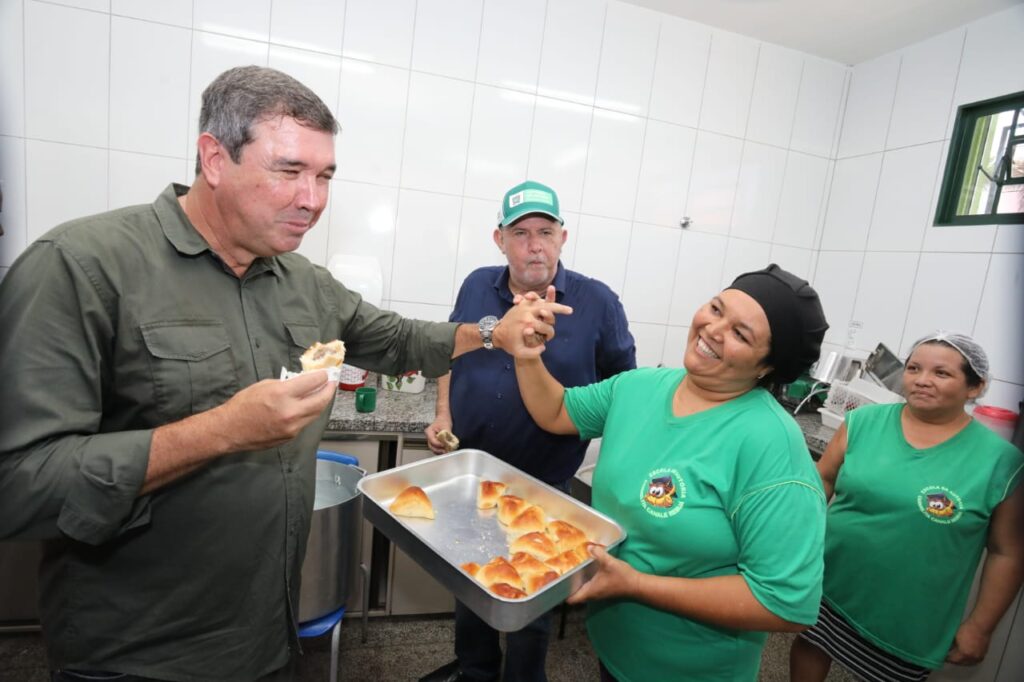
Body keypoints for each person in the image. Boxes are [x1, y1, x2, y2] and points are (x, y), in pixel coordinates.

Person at [0, 66, 568, 682]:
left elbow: (400, 338)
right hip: (137, 654)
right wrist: (221, 431)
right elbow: (19, 484)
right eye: (290, 171)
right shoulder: (83, 269)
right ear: (214, 159)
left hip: (269, 640)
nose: (313, 199)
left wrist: (492, 333)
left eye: (324, 176)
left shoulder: (305, 284)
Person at [509, 264, 831, 682]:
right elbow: (555, 411)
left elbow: (787, 603)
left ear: (767, 366)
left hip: (692, 669)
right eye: (716, 309)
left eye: (740, 333)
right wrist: (527, 354)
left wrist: (637, 585)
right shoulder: (640, 387)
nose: (714, 329)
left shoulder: (770, 445)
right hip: (615, 647)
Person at [419, 180, 637, 682]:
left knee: (533, 593)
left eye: (545, 231)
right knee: (470, 579)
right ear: (499, 239)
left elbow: (623, 391)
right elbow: (449, 352)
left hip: (545, 481)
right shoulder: (478, 285)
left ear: (564, 236)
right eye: (520, 233)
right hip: (471, 470)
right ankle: (475, 671)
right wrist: (444, 415)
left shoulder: (598, 302)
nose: (533, 244)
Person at [790, 332, 1024, 682]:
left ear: (975, 387)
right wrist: (792, 549)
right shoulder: (863, 423)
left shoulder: (1000, 462)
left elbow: (1008, 551)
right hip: (831, 580)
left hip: (910, 611)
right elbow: (822, 481)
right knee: (812, 643)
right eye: (914, 368)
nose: (922, 380)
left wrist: (980, 626)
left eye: (941, 373)